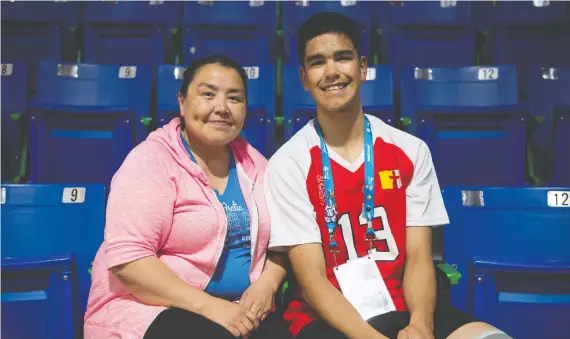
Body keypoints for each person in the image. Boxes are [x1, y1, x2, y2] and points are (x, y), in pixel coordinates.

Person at [264, 12, 512, 339]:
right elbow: (312, 283)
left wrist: (421, 324)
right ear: (303, 78)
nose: (332, 72)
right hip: (325, 320)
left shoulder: (411, 150)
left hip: (404, 307)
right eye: (318, 62)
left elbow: (420, 258)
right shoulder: (289, 164)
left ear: (363, 68)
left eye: (343, 58)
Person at [84, 55, 291, 339]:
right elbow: (129, 261)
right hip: (148, 308)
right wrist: (210, 307)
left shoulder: (257, 165)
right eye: (208, 94)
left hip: (237, 309)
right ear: (182, 101)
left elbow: (281, 245)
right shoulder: (150, 161)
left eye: (234, 98)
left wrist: (266, 285)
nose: (221, 107)